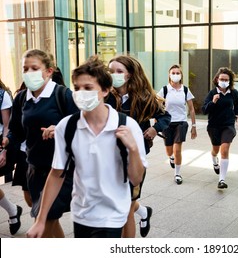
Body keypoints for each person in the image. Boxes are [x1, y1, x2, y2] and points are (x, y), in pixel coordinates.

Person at [26, 55, 147, 238]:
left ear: (105, 90)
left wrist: (133, 149)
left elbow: (136, 178)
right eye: (77, 88)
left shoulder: (128, 126)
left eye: (88, 88)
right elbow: (56, 174)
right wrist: (41, 219)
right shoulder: (66, 127)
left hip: (112, 215)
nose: (81, 93)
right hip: (81, 214)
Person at [3, 49, 79, 237]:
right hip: (34, 166)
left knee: (45, 219)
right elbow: (16, 131)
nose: (29, 72)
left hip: (60, 168)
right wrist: (7, 141)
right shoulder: (21, 98)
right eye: (25, 68)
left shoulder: (63, 95)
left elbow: (79, 126)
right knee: (46, 219)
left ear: (49, 71)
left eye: (34, 68)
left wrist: (59, 128)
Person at [107, 55, 171, 238]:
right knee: (117, 202)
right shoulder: (105, 96)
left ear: (130, 75)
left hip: (134, 158)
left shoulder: (144, 97)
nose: (114, 75)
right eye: (111, 71)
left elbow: (165, 117)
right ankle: (143, 211)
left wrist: (154, 128)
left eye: (119, 71)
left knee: (126, 210)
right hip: (109, 157)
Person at [157, 64, 197, 185]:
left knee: (177, 148)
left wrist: (194, 126)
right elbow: (157, 107)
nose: (175, 75)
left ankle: (177, 174)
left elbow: (191, 109)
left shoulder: (185, 90)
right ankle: (171, 157)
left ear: (181, 75)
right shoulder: (164, 90)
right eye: (173, 73)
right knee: (169, 151)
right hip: (167, 123)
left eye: (177, 73)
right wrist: (157, 123)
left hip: (181, 122)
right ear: (169, 75)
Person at [202, 67, 238, 189]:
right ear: (217, 79)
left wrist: (236, 115)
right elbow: (204, 110)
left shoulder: (233, 93)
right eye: (222, 79)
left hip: (228, 125)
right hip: (214, 126)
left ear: (229, 81)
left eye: (226, 79)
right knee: (216, 149)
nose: (224, 81)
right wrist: (213, 102)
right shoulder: (212, 93)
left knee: (224, 149)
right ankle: (214, 160)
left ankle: (222, 180)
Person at [0, 79, 22, 236]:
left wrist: (3, 150)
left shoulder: (2, 96)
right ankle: (13, 210)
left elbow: (8, 125)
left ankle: (13, 210)